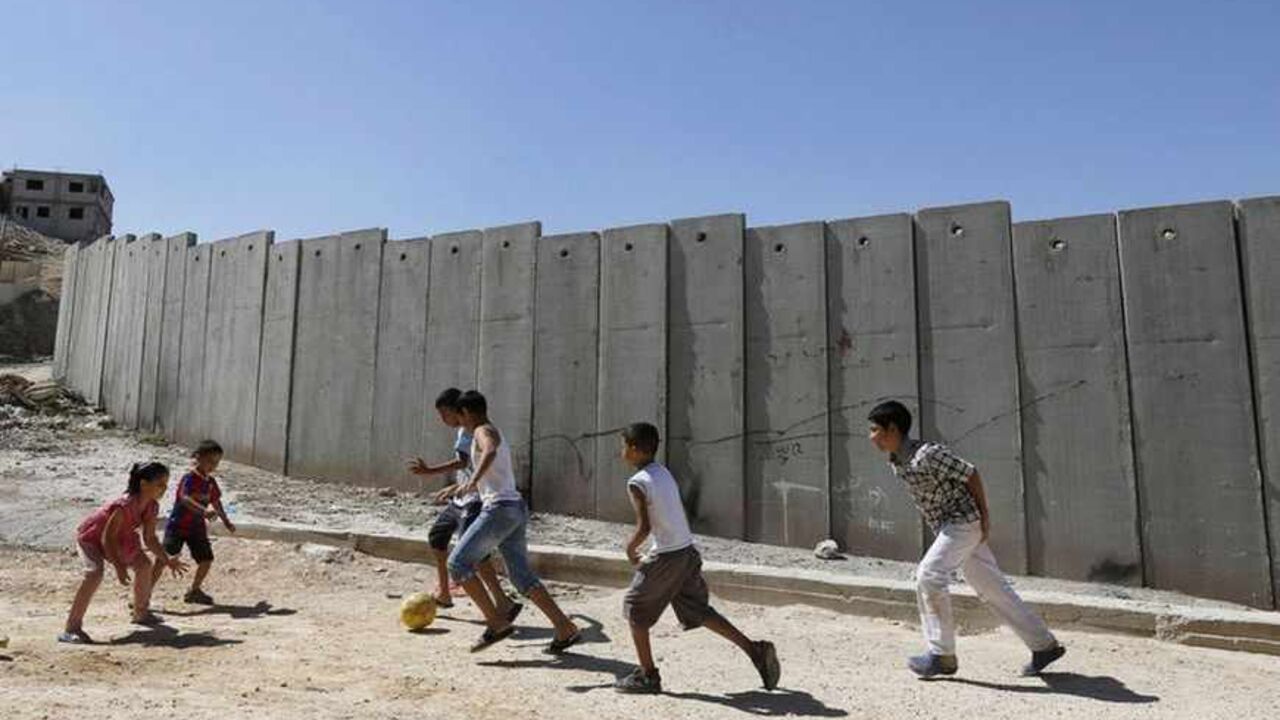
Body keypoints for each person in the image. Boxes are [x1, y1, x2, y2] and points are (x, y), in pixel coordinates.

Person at [866, 400, 1066, 678]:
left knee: (929, 574)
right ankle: (1044, 646)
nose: (871, 436)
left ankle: (942, 655)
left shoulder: (928, 454)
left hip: (963, 522)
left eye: (875, 430)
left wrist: (984, 516)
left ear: (892, 428)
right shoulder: (898, 462)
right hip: (950, 527)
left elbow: (970, 473)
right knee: (992, 587)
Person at [613, 422, 780, 694]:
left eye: (623, 446)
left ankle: (648, 676)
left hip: (665, 557)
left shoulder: (637, 482)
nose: (621, 452)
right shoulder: (662, 472)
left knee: (635, 611)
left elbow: (643, 527)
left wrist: (630, 549)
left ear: (633, 449)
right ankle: (755, 650)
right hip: (686, 552)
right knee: (698, 611)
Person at [441, 390, 580, 652]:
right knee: (521, 577)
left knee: (458, 564)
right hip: (514, 508)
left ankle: (496, 623)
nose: (459, 423)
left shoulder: (483, 431)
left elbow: (490, 450)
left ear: (467, 413)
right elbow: (493, 470)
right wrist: (466, 486)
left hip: (499, 510)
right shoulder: (489, 429)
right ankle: (564, 627)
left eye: (459, 417)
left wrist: (472, 481)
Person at [408, 387, 519, 620]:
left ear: (461, 412)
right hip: (461, 497)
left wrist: (470, 481)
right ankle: (445, 593)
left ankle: (500, 605)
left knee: (469, 556)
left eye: (445, 414)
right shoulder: (464, 432)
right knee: (438, 537)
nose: (444, 419)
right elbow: (463, 462)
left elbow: (483, 454)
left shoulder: (479, 431)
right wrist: (437, 475)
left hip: (477, 499)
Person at [60, 462, 187, 643]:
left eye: (166, 484)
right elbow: (106, 538)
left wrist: (167, 559)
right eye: (160, 484)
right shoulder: (124, 505)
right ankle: (71, 628)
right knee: (94, 573)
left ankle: (140, 613)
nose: (164, 489)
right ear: (143, 484)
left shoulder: (151, 506)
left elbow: (150, 538)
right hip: (92, 539)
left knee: (144, 565)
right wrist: (119, 566)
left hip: (121, 539)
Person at [153, 440, 236, 604]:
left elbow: (216, 502)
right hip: (178, 526)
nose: (213, 465)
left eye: (216, 462)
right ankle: (143, 593)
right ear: (198, 458)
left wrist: (226, 520)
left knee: (206, 560)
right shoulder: (189, 478)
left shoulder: (210, 483)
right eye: (210, 461)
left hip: (196, 529)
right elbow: (184, 498)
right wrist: (203, 511)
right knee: (163, 559)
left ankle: (194, 590)